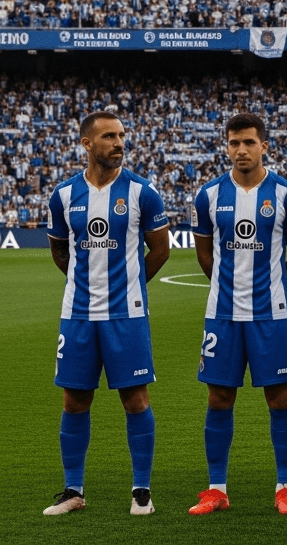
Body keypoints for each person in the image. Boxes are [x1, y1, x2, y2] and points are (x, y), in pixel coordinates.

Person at [44, 111, 170, 516]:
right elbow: (60, 250)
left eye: (121, 135)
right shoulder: (63, 195)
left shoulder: (143, 192)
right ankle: (73, 490)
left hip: (126, 316)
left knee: (135, 399)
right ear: (87, 144)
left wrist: (128, 287)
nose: (119, 143)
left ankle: (141, 492)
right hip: (77, 314)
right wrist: (86, 286)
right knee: (74, 400)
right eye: (109, 136)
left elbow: (161, 250)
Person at [187, 113, 287, 516]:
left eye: (249, 143)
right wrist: (229, 287)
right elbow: (205, 254)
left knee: (280, 397)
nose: (241, 150)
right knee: (219, 397)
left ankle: (285, 487)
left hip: (270, 315)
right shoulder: (208, 195)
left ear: (264, 146)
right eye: (234, 142)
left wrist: (271, 288)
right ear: (227, 146)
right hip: (222, 313)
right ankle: (216, 489)